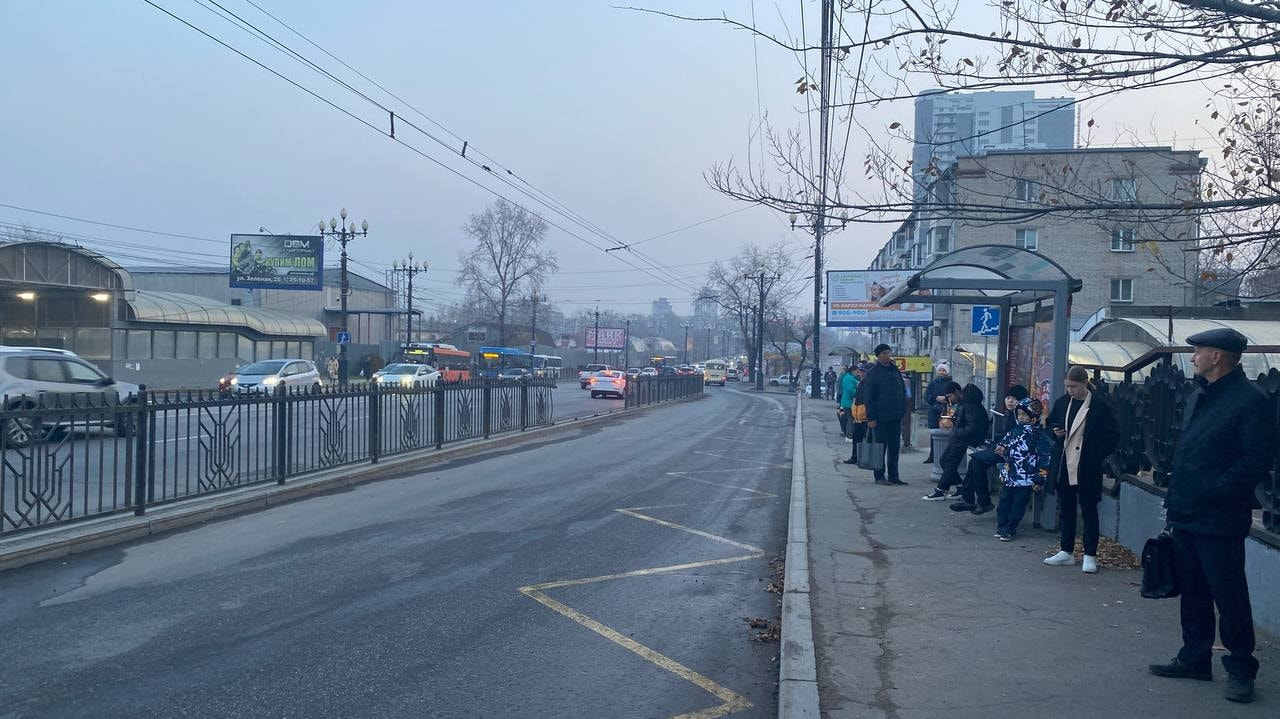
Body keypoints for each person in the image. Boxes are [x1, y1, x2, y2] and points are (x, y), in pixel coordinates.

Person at [1149, 328, 1276, 704]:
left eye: (1198, 350)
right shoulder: (1199, 396)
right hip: (1187, 513)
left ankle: (1240, 668)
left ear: (1218, 356)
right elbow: (1189, 453)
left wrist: (1213, 491)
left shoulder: (1250, 401)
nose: (1192, 357)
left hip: (1220, 518)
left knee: (1229, 594)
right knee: (1193, 591)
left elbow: (1255, 460)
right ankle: (1194, 657)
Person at [1042, 365, 1120, 574]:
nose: (1070, 390)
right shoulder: (1063, 402)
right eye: (1068, 386)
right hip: (1064, 462)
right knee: (1066, 508)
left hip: (1087, 465)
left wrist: (1095, 455)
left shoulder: (1100, 406)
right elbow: (1050, 425)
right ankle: (1066, 551)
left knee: (1089, 510)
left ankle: (1090, 554)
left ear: (1085, 384)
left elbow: (1112, 436)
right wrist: (1055, 432)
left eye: (1074, 386)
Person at [951, 385, 1029, 514]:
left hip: (1013, 453)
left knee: (977, 461)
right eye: (1008, 397)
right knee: (975, 461)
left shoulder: (1021, 416)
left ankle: (980, 501)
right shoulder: (1009, 414)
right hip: (1002, 448)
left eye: (1014, 399)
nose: (1010, 401)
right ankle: (972, 499)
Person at [992, 398, 1051, 541]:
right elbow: (1004, 444)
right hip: (1010, 473)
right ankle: (1002, 526)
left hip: (1026, 476)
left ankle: (1010, 528)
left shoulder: (1038, 435)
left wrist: (1041, 475)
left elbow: (1045, 456)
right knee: (1004, 502)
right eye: (1019, 414)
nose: (1021, 417)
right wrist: (1001, 449)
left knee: (1018, 504)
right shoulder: (1014, 431)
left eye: (1024, 415)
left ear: (1033, 417)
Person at [923, 381, 987, 500]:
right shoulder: (965, 403)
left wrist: (955, 430)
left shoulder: (968, 405)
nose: (950, 399)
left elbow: (971, 427)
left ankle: (941, 490)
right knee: (944, 461)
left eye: (950, 396)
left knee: (949, 463)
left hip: (963, 439)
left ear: (957, 392)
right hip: (960, 437)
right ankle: (960, 488)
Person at [861, 344, 908, 486]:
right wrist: (871, 418)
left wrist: (903, 408)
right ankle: (879, 476)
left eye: (889, 352)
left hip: (895, 415)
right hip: (880, 417)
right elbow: (868, 398)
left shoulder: (894, 370)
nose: (888, 355)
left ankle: (894, 476)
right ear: (878, 356)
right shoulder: (873, 373)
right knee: (880, 447)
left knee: (894, 447)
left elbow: (902, 389)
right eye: (885, 353)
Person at [922, 363, 952, 464]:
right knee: (934, 433)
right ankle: (933, 455)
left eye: (943, 370)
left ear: (947, 372)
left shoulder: (951, 383)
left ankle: (945, 455)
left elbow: (955, 396)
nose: (941, 372)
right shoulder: (933, 383)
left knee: (946, 433)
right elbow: (927, 396)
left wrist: (946, 399)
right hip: (934, 411)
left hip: (946, 412)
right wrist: (935, 399)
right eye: (940, 370)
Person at [844, 363, 870, 464]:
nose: (861, 373)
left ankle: (865, 459)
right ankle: (855, 457)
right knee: (856, 439)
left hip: (866, 417)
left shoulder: (870, 384)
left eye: (864, 371)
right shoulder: (861, 383)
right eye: (861, 371)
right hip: (858, 417)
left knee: (866, 440)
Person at [836, 365, 856, 443]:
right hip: (848, 402)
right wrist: (858, 392)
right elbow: (850, 389)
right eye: (856, 371)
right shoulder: (849, 378)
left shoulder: (845, 377)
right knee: (850, 419)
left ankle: (848, 434)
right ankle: (849, 435)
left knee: (848, 419)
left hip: (845, 401)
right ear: (852, 371)